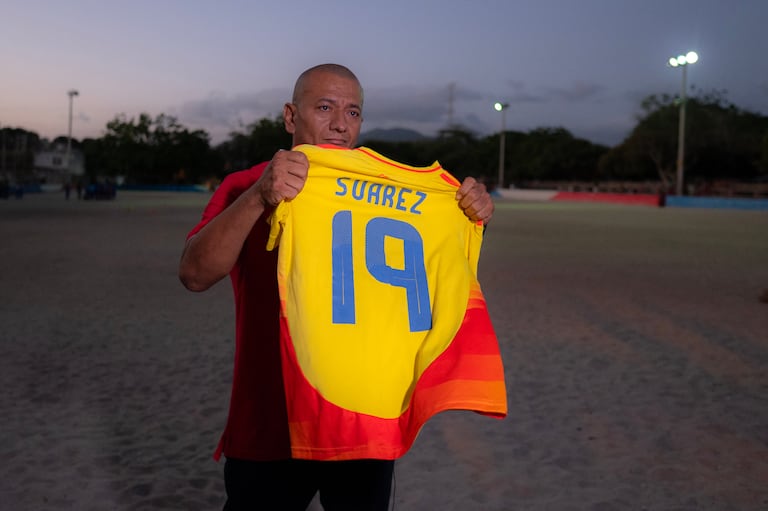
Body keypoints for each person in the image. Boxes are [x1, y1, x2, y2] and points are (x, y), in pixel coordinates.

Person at [179, 63, 495, 511]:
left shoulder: (388, 191)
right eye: (324, 107)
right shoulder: (246, 185)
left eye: (353, 112)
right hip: (271, 423)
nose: (340, 124)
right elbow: (193, 274)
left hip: (362, 423)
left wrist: (467, 213)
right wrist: (259, 198)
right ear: (291, 117)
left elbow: (434, 269)